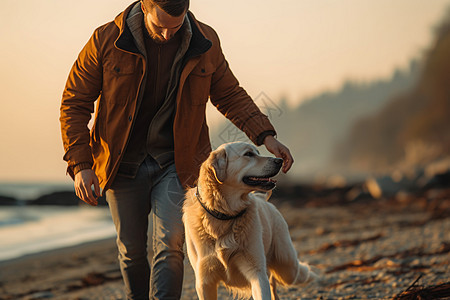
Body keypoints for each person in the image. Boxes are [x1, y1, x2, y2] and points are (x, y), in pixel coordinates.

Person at [60, 0, 294, 299]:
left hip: (178, 162)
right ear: (145, 6)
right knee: (131, 249)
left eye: (176, 25)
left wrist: (266, 136)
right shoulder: (105, 40)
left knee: (170, 243)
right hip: (120, 163)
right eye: (160, 26)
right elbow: (74, 103)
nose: (169, 35)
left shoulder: (205, 41)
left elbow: (230, 94)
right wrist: (81, 165)